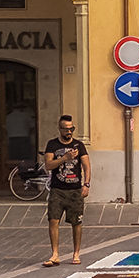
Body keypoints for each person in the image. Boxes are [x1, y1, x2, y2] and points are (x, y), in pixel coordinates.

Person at [40, 113, 90, 267]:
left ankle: (76, 253)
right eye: (66, 129)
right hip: (57, 189)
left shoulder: (79, 145)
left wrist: (86, 184)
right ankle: (55, 254)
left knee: (77, 222)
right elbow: (48, 165)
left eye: (71, 129)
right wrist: (64, 158)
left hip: (75, 189)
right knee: (53, 220)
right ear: (60, 129)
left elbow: (86, 166)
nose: (69, 132)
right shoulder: (52, 145)